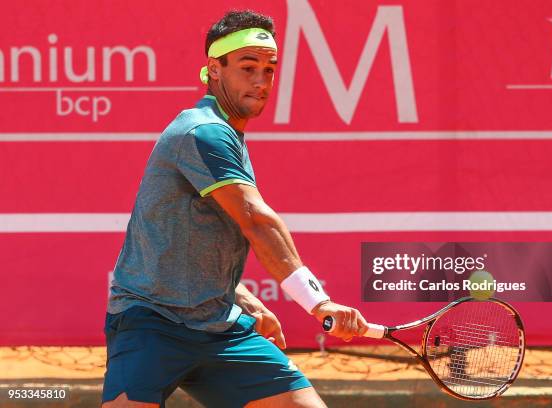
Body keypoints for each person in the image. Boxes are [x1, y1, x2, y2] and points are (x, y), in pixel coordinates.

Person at [101, 10, 368, 408]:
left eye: (269, 69)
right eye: (248, 67)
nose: (261, 81)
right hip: (152, 323)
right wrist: (318, 302)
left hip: (219, 326)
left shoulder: (227, 134)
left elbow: (193, 235)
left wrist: (240, 296)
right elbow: (258, 223)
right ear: (215, 68)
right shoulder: (203, 132)